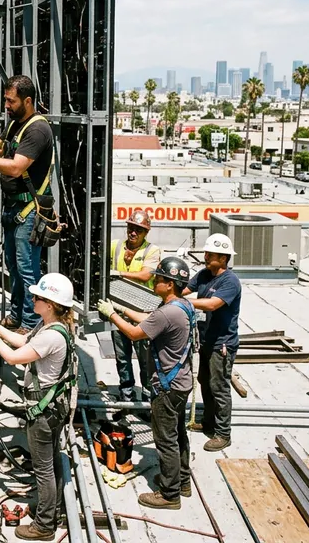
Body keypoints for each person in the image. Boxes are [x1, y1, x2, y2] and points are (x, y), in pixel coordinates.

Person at [0, 273, 76, 541]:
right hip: (54, 409)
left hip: (43, 413)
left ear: (51, 304)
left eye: (38, 297)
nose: (32, 300)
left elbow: (12, 357)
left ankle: (44, 526)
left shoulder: (50, 336)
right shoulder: (52, 326)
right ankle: (52, 511)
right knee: (53, 463)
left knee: (43, 470)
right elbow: (22, 342)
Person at [99, 256, 196, 510]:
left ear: (170, 284)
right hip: (181, 383)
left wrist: (111, 316)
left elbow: (134, 332)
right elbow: (148, 316)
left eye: (160, 279)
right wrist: (121, 309)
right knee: (178, 435)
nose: (155, 281)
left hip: (166, 388)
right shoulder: (182, 306)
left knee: (165, 441)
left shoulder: (168, 313)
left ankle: (169, 494)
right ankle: (181, 481)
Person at [0, 75, 54, 332]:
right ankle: (16, 316)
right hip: (14, 210)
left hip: (28, 212)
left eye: (10, 101)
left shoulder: (37, 129)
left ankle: (30, 322)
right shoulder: (16, 124)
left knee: (27, 270)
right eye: (5, 100)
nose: (6, 105)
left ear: (27, 100)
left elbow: (16, 167)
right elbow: (0, 148)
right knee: (14, 267)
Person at [183, 233, 241, 452]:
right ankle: (209, 423)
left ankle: (223, 433)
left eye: (211, 254)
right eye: (206, 253)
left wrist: (182, 302)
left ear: (224, 258)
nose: (206, 257)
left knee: (219, 387)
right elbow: (185, 289)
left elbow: (212, 304)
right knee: (205, 382)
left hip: (222, 344)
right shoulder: (205, 274)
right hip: (206, 341)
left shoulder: (230, 281)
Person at [108, 210, 161, 402]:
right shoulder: (115, 246)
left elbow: (146, 275)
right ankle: (127, 395)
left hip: (143, 313)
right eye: (131, 228)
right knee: (122, 358)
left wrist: (118, 274)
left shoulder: (151, 251)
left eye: (138, 230)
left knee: (145, 359)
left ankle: (147, 397)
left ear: (146, 232)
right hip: (118, 310)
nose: (133, 232)